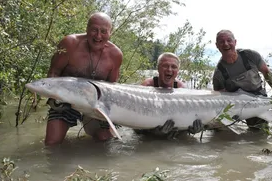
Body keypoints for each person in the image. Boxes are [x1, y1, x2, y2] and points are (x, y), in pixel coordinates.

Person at [44, 12, 123, 146]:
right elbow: (54, 72)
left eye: (103, 31)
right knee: (52, 143)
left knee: (104, 139)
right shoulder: (69, 43)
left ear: (110, 33)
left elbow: (112, 88)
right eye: (94, 30)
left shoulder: (115, 55)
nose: (98, 36)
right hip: (66, 101)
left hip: (95, 104)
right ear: (86, 29)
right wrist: (56, 97)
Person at [212, 29, 272, 129]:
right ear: (217, 45)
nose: (226, 44)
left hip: (258, 100)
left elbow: (266, 72)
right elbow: (219, 100)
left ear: (235, 42)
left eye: (229, 40)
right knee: (219, 131)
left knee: (259, 133)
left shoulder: (250, 55)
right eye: (221, 42)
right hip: (236, 106)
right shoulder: (219, 73)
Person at [137, 52, 204, 138]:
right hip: (150, 133)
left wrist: (192, 129)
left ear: (177, 71)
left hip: (174, 134)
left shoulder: (182, 89)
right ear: (158, 68)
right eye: (165, 66)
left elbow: (186, 119)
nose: (169, 70)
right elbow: (136, 123)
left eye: (174, 67)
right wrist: (153, 132)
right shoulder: (147, 85)